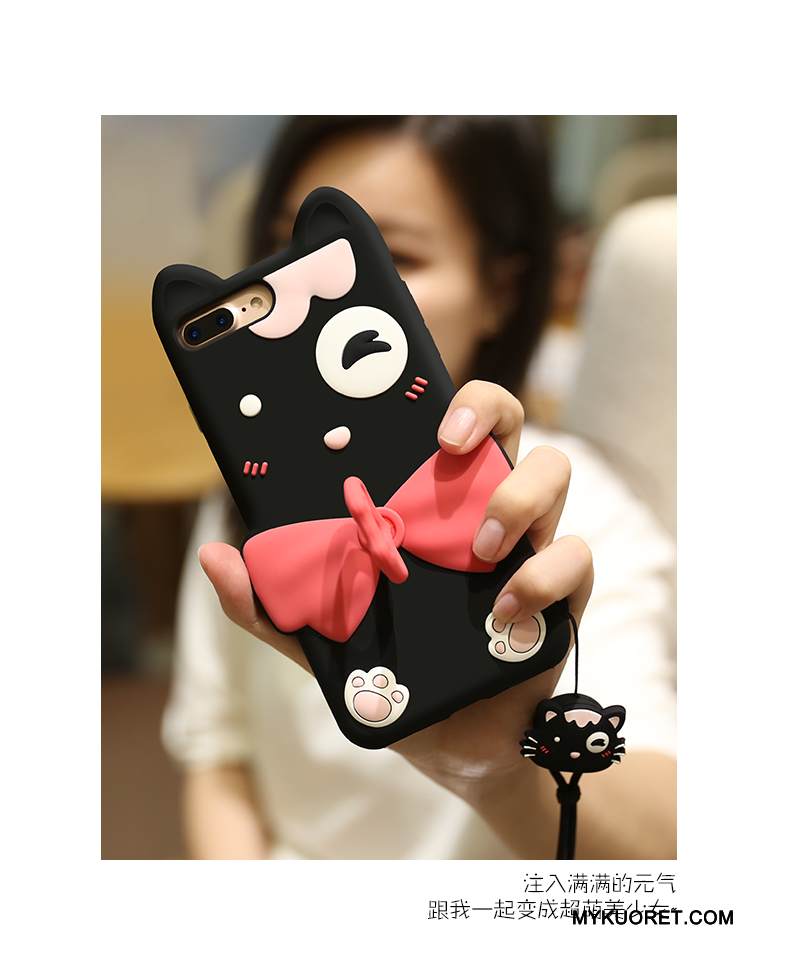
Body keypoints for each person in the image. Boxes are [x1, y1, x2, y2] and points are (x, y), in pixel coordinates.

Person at [163, 116, 676, 859]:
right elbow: (219, 758)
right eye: (278, 254)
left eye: (393, 257)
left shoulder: (570, 512)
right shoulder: (251, 516)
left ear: (500, 289)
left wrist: (502, 773)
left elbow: (669, 841)